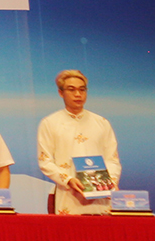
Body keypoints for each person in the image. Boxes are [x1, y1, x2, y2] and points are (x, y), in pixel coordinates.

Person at [37, 69, 120, 215]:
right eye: (71, 90)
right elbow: (45, 162)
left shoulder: (101, 122)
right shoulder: (49, 123)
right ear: (61, 93)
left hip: (101, 196)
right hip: (68, 194)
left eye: (82, 90)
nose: (78, 94)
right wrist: (68, 180)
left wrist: (109, 182)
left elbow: (112, 159)